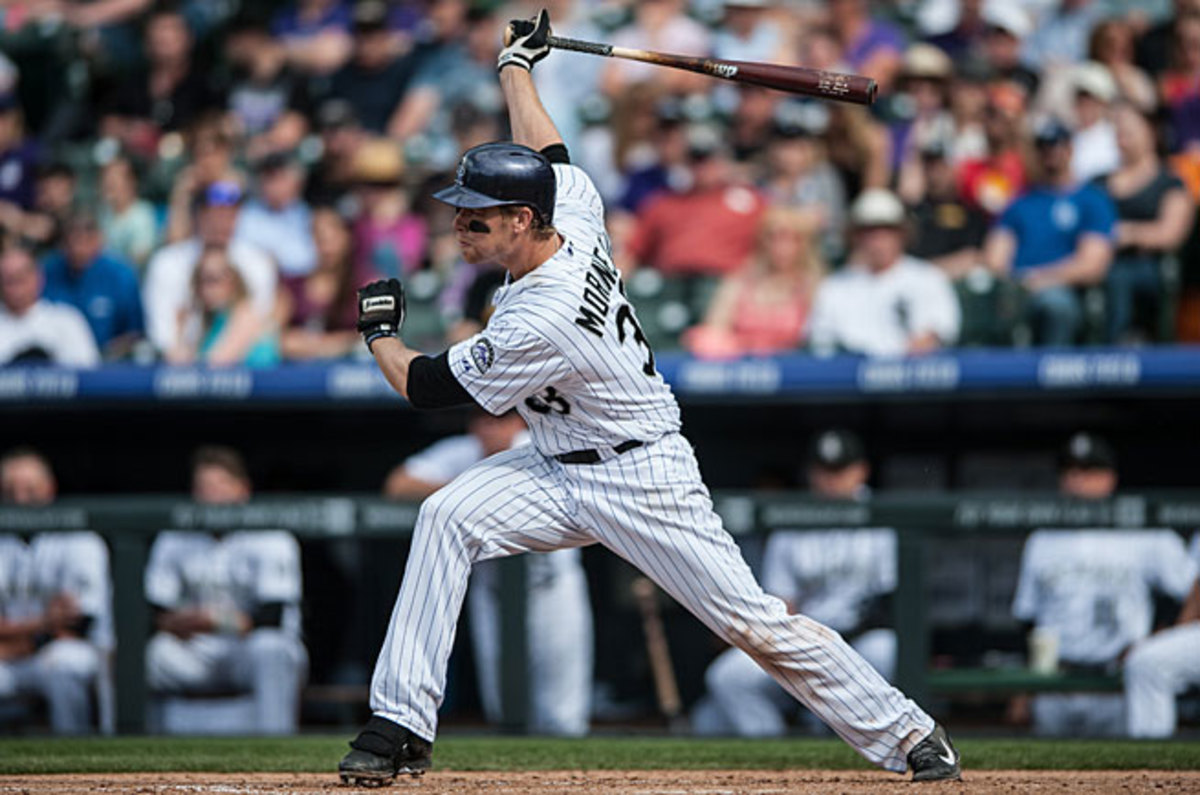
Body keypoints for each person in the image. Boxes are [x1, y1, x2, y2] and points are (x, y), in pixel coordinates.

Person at [337, 10, 960, 785]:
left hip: (641, 475)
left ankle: (908, 733)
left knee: (752, 623)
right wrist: (516, 66)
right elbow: (548, 149)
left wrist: (379, 337)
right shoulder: (573, 208)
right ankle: (400, 723)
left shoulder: (543, 312)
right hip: (557, 462)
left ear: (523, 220)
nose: (459, 226)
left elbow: (425, 387)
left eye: (477, 216)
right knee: (447, 515)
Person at [383, 410, 593, 736]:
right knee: (503, 707)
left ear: (520, 421)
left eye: (501, 420)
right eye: (483, 420)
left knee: (562, 714)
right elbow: (398, 484)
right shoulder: (462, 452)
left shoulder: (540, 444)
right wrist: (470, 489)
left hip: (552, 589)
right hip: (493, 594)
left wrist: (474, 493)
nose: (490, 428)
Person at [692, 430, 897, 737]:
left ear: (861, 471)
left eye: (840, 471)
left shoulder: (884, 518)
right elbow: (782, 603)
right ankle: (776, 754)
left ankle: (844, 740)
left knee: (886, 650)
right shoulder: (791, 520)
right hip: (807, 637)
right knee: (728, 676)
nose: (831, 480)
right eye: (824, 471)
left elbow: (891, 597)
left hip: (861, 636)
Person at [1011, 432, 1199, 737]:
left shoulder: (1143, 531)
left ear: (1110, 478)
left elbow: (1194, 586)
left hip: (1118, 682)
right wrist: (1023, 690)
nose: (1077, 481)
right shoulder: (1042, 537)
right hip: (1055, 682)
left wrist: (1161, 643)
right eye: (1070, 472)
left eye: (1088, 471)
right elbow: (1029, 619)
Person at [145, 446, 307, 735]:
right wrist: (194, 622)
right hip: (196, 650)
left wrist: (212, 620)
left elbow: (271, 618)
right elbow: (154, 612)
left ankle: (276, 743)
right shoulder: (174, 535)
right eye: (203, 488)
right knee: (150, 654)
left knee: (271, 648)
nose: (211, 496)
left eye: (219, 486)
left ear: (242, 490)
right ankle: (136, 750)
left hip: (247, 650)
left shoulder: (271, 536)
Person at [0, 448, 113, 734]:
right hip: (11, 658)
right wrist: (46, 623)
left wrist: (20, 638)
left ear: (49, 489)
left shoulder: (80, 539)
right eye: (10, 490)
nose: (20, 498)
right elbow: (56, 624)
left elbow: (79, 624)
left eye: (29, 489)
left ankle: (74, 752)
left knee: (64, 662)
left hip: (67, 651)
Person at [982, 120, 1116, 345]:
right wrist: (1014, 284)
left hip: (1064, 291)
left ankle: (1055, 377)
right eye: (1043, 146)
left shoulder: (1092, 200)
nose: (1050, 152)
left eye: (1056, 145)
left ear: (1070, 149)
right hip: (1015, 290)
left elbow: (1092, 266)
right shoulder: (1020, 202)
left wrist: (1038, 280)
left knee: (1055, 306)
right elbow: (995, 257)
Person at [808, 188, 961, 356]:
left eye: (887, 231)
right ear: (855, 236)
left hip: (911, 378)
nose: (878, 241)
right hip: (848, 379)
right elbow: (822, 343)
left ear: (902, 234)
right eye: (869, 232)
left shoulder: (928, 278)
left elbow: (935, 334)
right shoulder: (834, 287)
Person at [142, 181, 278, 356]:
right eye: (214, 213)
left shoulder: (258, 262)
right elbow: (163, 337)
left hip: (247, 366)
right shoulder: (167, 262)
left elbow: (260, 324)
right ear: (198, 215)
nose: (222, 221)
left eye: (230, 213)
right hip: (182, 367)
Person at [1098, 103, 1194, 343]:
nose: (1122, 138)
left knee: (1118, 277)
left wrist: (1128, 233)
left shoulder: (1169, 183)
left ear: (1150, 132)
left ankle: (1116, 350)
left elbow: (1170, 234)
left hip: (1147, 265)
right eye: (1118, 131)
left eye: (1129, 130)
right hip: (1096, 262)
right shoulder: (1098, 183)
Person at [683, 206, 824, 358]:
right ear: (762, 240)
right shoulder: (740, 281)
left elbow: (821, 338)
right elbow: (715, 329)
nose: (782, 247)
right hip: (742, 365)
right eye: (773, 237)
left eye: (792, 239)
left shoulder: (813, 285)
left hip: (794, 369)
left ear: (804, 244)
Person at [40, 211, 145, 359]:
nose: (77, 249)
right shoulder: (46, 272)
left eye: (85, 241)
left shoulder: (121, 275)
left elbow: (135, 333)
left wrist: (101, 358)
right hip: (55, 363)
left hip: (109, 365)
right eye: (72, 242)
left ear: (98, 240)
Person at [165, 246, 280, 368]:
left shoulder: (247, 313)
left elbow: (219, 361)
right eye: (200, 280)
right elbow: (177, 360)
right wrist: (180, 331)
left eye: (213, 280)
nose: (205, 289)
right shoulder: (210, 320)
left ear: (232, 281)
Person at [0, 244, 99, 367]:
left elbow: (89, 373)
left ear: (38, 277)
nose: (15, 289)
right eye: (8, 281)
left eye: (21, 279)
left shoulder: (67, 320)